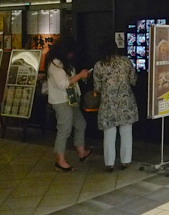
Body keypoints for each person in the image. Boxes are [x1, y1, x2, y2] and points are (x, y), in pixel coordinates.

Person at [45, 37, 92, 172]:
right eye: (71, 52)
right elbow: (63, 84)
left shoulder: (63, 62)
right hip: (61, 101)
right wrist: (80, 75)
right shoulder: (55, 64)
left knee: (80, 124)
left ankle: (81, 152)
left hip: (71, 98)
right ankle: (60, 161)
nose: (72, 55)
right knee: (64, 129)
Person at [94, 40, 138, 172]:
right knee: (126, 133)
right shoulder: (125, 61)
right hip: (126, 103)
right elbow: (133, 80)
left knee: (109, 134)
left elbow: (97, 87)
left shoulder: (99, 65)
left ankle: (109, 163)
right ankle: (126, 161)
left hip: (108, 104)